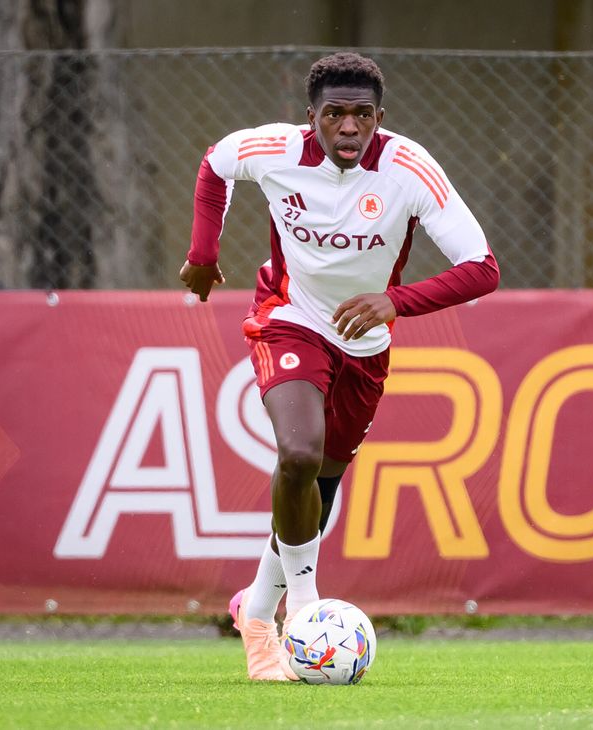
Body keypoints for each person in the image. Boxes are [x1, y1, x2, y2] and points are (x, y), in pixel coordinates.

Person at [180, 52, 499, 681]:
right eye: (335, 115)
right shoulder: (274, 150)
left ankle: (258, 611)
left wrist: (394, 302)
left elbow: (482, 267)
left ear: (380, 119)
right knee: (298, 453)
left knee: (319, 485)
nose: (348, 127)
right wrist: (202, 252)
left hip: (364, 341)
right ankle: (304, 614)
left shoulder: (409, 169)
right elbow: (216, 162)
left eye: (361, 115)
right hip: (288, 315)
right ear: (312, 119)